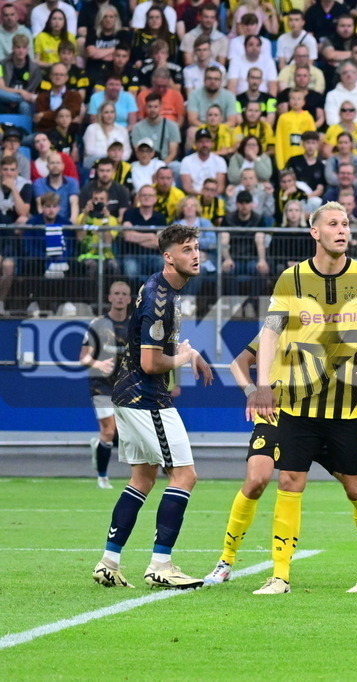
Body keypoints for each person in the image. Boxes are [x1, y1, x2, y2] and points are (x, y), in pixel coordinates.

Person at [248, 202, 357, 594]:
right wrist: (263, 383)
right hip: (298, 403)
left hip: (351, 405)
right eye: (333, 224)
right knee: (289, 480)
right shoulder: (291, 279)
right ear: (314, 232)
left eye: (347, 224)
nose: (342, 229)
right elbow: (269, 332)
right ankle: (280, 575)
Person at [204, 338, 357, 585]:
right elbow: (239, 363)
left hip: (322, 417)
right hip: (277, 414)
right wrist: (253, 392)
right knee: (256, 480)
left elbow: (339, 379)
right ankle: (226, 560)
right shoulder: (277, 325)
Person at [91, 224, 213, 590]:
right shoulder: (161, 299)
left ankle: (109, 561)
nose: (195, 255)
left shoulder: (158, 287)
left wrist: (185, 352)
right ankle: (161, 563)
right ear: (169, 257)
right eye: (187, 249)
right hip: (146, 396)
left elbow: (155, 349)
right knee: (185, 476)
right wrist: (184, 357)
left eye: (196, 248)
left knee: (142, 479)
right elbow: (150, 363)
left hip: (129, 395)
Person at [80, 280, 132, 489]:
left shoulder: (135, 327)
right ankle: (102, 477)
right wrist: (98, 363)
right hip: (101, 385)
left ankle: (99, 447)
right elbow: (84, 358)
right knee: (109, 430)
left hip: (125, 386)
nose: (120, 297)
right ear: (109, 297)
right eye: (116, 293)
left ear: (129, 299)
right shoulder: (98, 325)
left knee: (122, 434)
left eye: (124, 294)